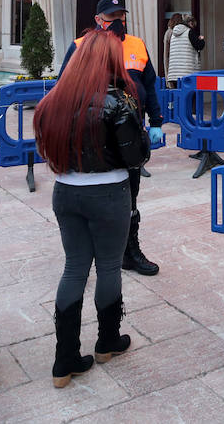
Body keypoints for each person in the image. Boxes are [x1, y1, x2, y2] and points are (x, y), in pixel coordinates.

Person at [34, 30, 149, 387]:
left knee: (74, 268)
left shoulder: (55, 98)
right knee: (109, 265)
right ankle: (107, 342)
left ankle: (64, 360)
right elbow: (136, 156)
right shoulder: (117, 100)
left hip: (66, 191)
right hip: (108, 193)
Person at [59, 0, 164, 276]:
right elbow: (63, 88)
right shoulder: (81, 47)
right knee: (96, 194)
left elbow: (150, 86)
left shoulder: (137, 45)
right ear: (98, 20)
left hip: (129, 132)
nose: (117, 22)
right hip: (92, 135)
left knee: (130, 194)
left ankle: (129, 251)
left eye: (120, 16)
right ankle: (94, 251)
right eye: (110, 17)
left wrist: (157, 120)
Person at [165, 14, 205, 83]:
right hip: (187, 73)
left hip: (174, 74)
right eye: (193, 25)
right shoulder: (189, 32)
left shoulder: (173, 34)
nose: (193, 27)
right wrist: (201, 39)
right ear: (190, 23)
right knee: (191, 93)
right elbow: (199, 46)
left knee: (178, 93)